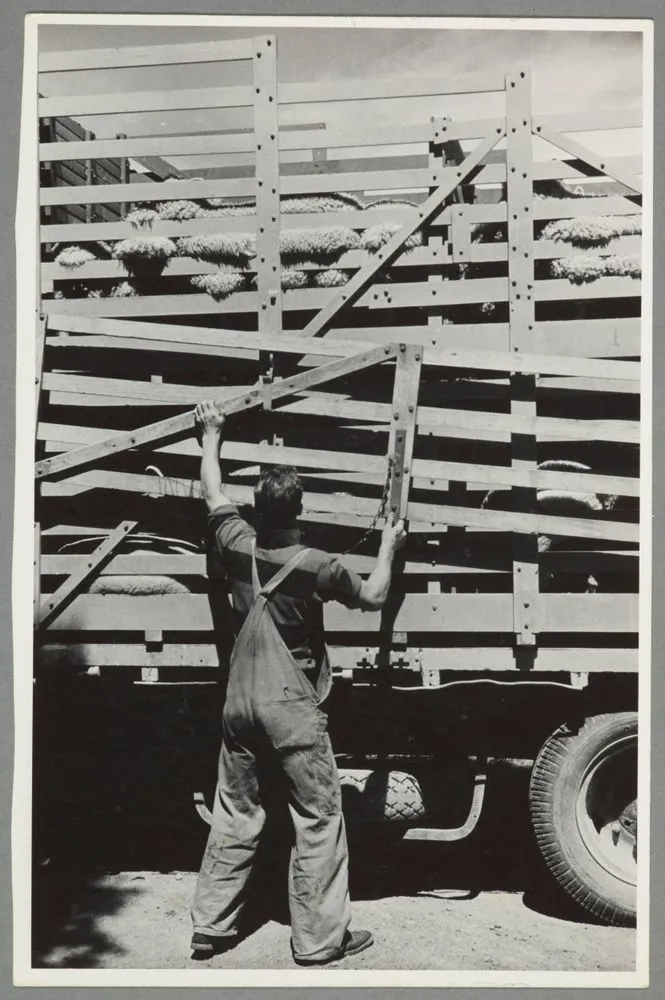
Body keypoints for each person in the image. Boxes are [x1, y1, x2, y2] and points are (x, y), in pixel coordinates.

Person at [190, 400, 407, 966]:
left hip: (238, 703)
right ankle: (318, 941)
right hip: (292, 710)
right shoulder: (318, 565)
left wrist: (211, 435)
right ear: (301, 507)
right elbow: (376, 597)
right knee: (317, 818)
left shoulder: (236, 544)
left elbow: (212, 492)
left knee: (236, 811)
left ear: (257, 507)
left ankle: (210, 926)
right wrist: (388, 546)